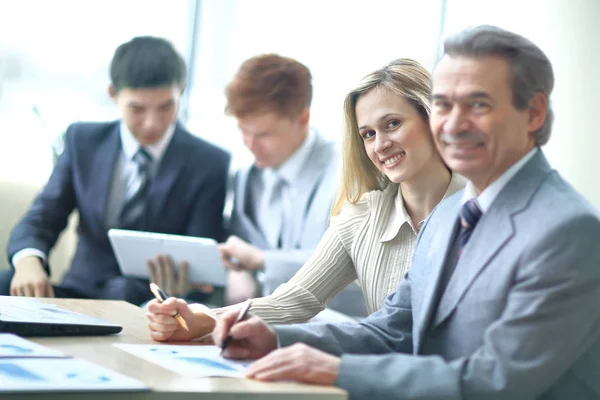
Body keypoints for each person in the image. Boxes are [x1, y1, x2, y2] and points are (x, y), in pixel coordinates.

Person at [211, 25, 600, 399]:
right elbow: (392, 331)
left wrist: (337, 370)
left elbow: (498, 381)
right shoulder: (451, 215)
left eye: (478, 104)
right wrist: (277, 337)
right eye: (443, 105)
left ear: (533, 113)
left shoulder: (568, 230)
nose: (453, 123)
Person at [146, 58, 465, 341]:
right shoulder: (360, 218)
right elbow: (294, 300)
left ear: (432, 117)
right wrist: (201, 319)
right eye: (368, 134)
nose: (380, 144)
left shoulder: (483, 210)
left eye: (392, 124)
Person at [1, 36, 230, 305]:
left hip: (150, 301)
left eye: (166, 106)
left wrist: (184, 285)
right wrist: (28, 260)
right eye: (137, 108)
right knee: (7, 282)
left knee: (130, 294)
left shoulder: (210, 162)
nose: (151, 123)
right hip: (81, 293)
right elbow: (43, 216)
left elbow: (203, 254)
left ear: (182, 90)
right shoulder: (83, 142)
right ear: (113, 94)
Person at [149, 53, 367, 316]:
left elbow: (357, 270)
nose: (250, 144)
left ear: (303, 118)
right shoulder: (245, 178)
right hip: (256, 329)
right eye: (243, 130)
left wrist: (262, 262)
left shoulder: (351, 173)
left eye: (263, 134)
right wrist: (235, 271)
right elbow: (240, 255)